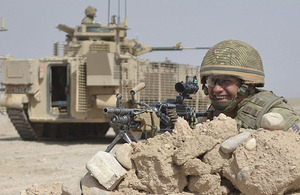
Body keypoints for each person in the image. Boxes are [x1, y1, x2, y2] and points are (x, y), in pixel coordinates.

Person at [199, 39, 300, 135]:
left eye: (226, 81)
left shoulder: (274, 115)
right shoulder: (214, 112)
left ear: (249, 85)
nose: (217, 89)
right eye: (211, 81)